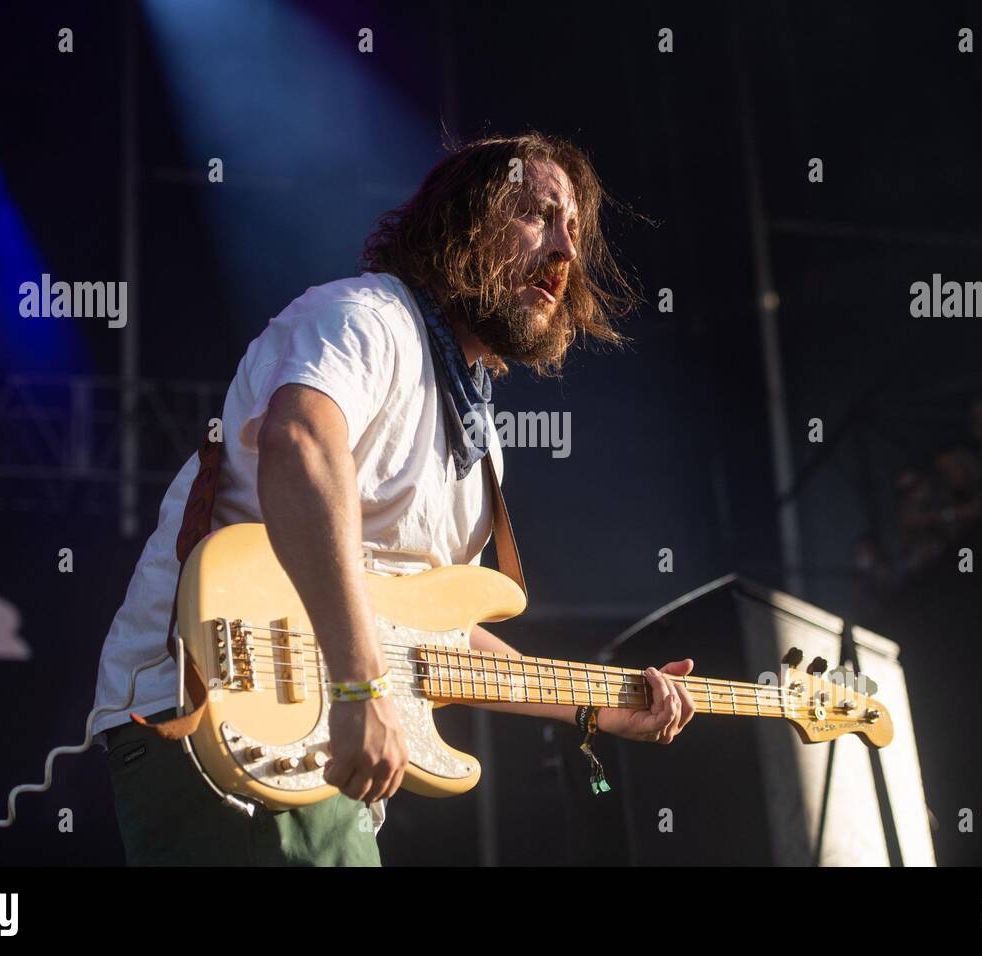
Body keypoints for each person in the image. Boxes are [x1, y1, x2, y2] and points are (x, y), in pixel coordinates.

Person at [91, 132, 699, 866]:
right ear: (465, 224)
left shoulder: (478, 437)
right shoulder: (366, 318)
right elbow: (300, 444)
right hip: (222, 708)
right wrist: (356, 689)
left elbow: (429, 632)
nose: (565, 251)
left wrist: (597, 703)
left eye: (573, 231)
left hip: (314, 744)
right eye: (539, 215)